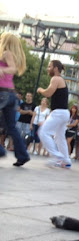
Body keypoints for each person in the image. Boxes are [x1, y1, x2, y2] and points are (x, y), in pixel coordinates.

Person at [0, 32, 30, 166]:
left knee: (11, 127)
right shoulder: (11, 55)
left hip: (3, 93)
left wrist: (2, 69)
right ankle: (23, 155)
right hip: (11, 94)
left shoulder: (6, 53)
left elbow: (11, 69)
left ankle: (1, 151)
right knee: (11, 127)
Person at [37, 60, 71, 168]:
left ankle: (57, 156)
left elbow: (48, 93)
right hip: (64, 112)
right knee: (59, 137)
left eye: (49, 66)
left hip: (59, 113)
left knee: (43, 132)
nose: (48, 68)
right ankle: (66, 160)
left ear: (56, 68)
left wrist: (40, 90)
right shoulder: (61, 80)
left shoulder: (56, 78)